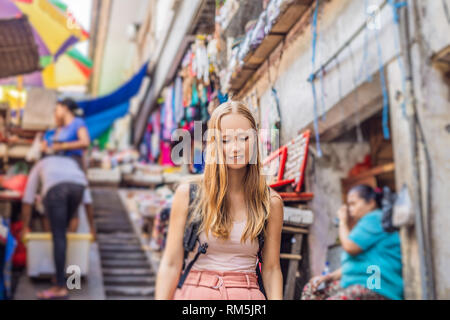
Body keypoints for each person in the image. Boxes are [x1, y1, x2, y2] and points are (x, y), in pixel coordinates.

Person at [155, 101, 284, 300]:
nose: (235, 148)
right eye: (225, 140)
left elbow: (272, 268)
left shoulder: (270, 202)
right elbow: (171, 263)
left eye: (244, 138)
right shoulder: (189, 194)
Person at [301, 185, 404, 300]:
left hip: (377, 285)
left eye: (353, 204)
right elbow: (355, 264)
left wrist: (342, 222)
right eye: (349, 205)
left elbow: (350, 247)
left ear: (371, 203)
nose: (350, 209)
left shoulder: (375, 218)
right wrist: (329, 277)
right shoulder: (365, 223)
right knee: (312, 288)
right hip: (359, 283)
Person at [20, 156, 90, 299]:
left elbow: (28, 199)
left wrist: (24, 229)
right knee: (64, 232)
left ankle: (59, 287)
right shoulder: (71, 163)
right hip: (79, 187)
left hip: (56, 190)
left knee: (58, 235)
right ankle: (65, 276)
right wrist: (93, 229)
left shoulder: (40, 164)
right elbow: (88, 201)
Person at [42, 98, 90, 170]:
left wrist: (63, 146)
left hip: (74, 162)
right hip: (59, 161)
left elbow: (85, 142)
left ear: (65, 108)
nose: (55, 112)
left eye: (57, 109)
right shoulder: (61, 127)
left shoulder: (77, 122)